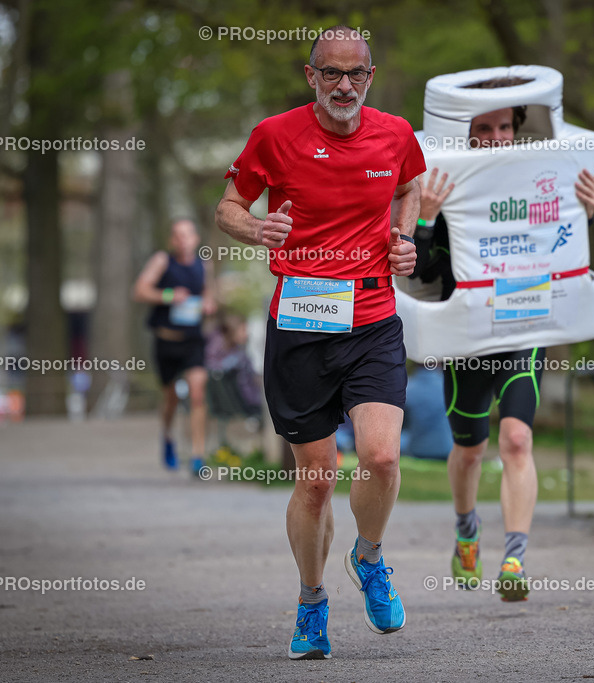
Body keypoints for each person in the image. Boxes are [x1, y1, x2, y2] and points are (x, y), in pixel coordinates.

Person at [214, 26, 424, 660]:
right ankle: (311, 602)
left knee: (382, 458)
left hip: (372, 315)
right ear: (311, 77)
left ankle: (370, 556)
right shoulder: (274, 136)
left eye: (355, 74)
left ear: (371, 76)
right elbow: (228, 205)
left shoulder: (395, 134)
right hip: (302, 323)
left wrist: (402, 238)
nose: (344, 86)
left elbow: (410, 186)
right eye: (331, 74)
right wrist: (257, 227)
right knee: (316, 482)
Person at [411, 89, 594, 602]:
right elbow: (422, 271)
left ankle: (515, 557)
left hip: (524, 327)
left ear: (517, 130)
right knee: (470, 450)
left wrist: (584, 211)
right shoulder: (449, 182)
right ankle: (466, 530)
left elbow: (565, 247)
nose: (495, 138)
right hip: (467, 332)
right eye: (484, 129)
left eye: (503, 128)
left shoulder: (544, 177)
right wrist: (426, 217)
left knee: (516, 440)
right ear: (467, 133)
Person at [133, 218, 216, 475]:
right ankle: (168, 437)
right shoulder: (162, 261)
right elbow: (139, 291)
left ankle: (197, 455)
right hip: (166, 341)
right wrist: (169, 295)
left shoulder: (205, 264)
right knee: (170, 399)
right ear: (172, 240)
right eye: (177, 235)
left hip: (193, 341)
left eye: (187, 235)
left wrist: (208, 305)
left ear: (195, 239)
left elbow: (209, 295)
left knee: (197, 393)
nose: (182, 240)